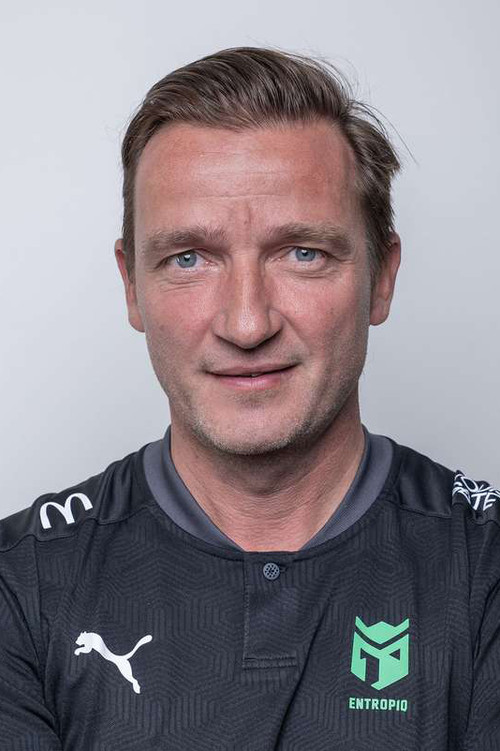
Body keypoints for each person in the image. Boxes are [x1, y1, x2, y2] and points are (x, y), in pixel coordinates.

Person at [0, 46, 498, 751]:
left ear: (382, 277)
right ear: (132, 285)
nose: (246, 323)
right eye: (189, 258)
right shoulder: (20, 584)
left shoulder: (484, 567)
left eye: (302, 253)